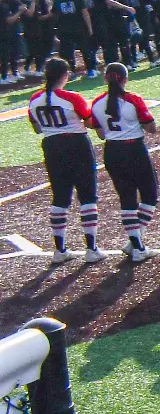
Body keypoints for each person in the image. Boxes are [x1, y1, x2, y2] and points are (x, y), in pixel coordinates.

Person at [26, 58, 103, 261]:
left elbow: (36, 128)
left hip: (52, 146)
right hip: (76, 144)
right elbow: (89, 122)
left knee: (60, 196)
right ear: (64, 75)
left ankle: (59, 250)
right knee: (87, 195)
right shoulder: (71, 97)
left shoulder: (35, 99)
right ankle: (91, 248)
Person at [88, 62, 159, 261]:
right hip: (134, 149)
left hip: (112, 150)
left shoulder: (97, 102)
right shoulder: (132, 99)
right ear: (125, 79)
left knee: (126, 198)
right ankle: (137, 244)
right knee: (150, 194)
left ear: (105, 79)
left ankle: (135, 242)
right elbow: (151, 128)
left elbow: (101, 134)